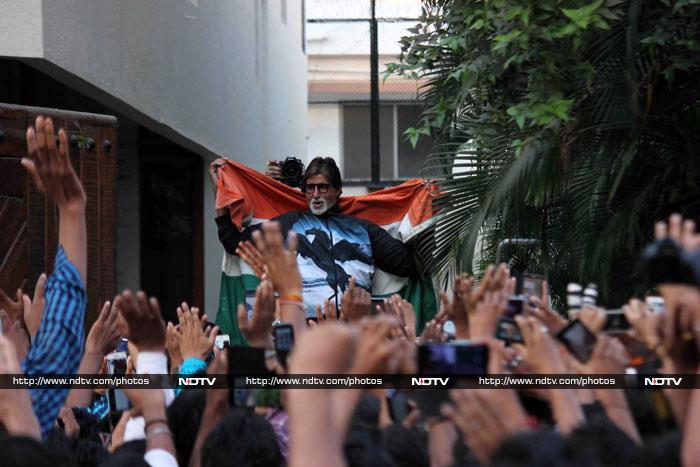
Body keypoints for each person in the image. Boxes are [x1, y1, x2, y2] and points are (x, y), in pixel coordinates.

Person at [212, 156, 419, 316]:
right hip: (303, 332)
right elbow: (234, 243)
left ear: (338, 190)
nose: (316, 194)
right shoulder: (288, 224)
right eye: (310, 187)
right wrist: (221, 190)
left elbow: (408, 264)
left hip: (355, 332)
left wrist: (423, 209)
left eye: (323, 187)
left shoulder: (363, 229)